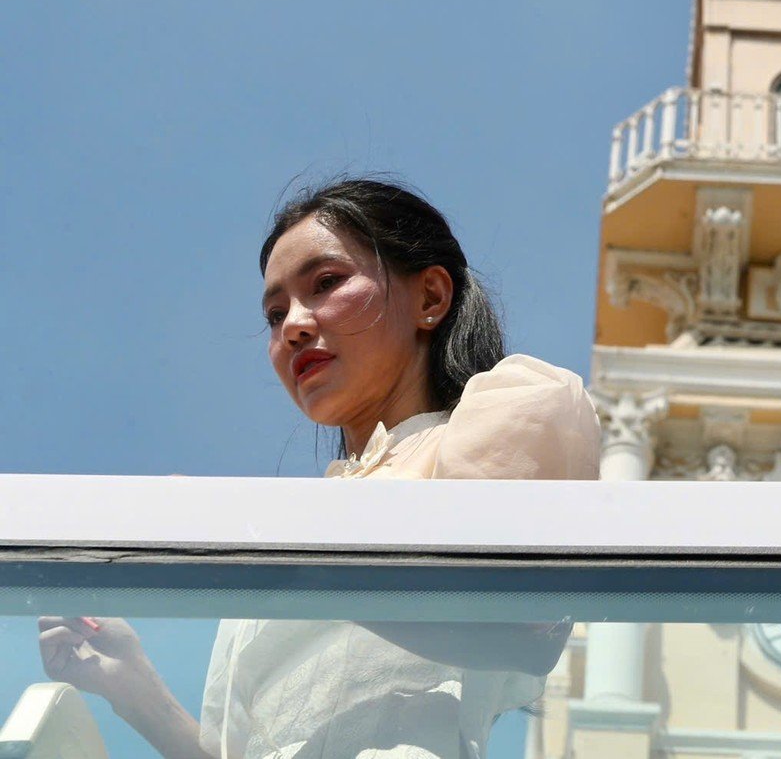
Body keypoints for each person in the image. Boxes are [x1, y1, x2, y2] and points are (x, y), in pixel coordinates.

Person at [38, 178, 602, 759]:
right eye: (275, 312)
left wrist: (245, 534)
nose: (293, 326)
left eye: (327, 283)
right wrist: (134, 689)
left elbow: (519, 626)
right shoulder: (293, 535)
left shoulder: (514, 406)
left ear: (431, 297)